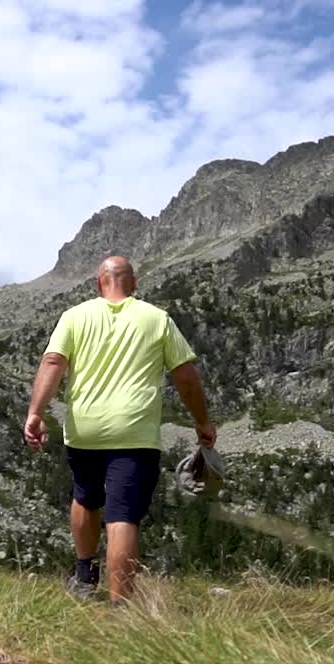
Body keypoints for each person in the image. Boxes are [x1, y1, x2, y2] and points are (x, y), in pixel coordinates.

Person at [24, 256, 216, 604]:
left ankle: (85, 577)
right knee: (122, 516)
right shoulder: (157, 319)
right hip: (134, 432)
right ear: (135, 283)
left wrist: (35, 413)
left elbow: (53, 361)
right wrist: (202, 421)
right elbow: (185, 377)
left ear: (100, 283)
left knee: (85, 496)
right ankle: (120, 608)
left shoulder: (75, 316)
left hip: (84, 430)